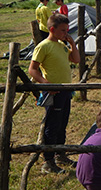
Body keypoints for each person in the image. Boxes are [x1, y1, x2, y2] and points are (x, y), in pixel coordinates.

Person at [28, 14, 80, 174]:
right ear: (52, 29)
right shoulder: (44, 46)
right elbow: (32, 69)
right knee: (52, 125)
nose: (66, 33)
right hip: (53, 91)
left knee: (62, 123)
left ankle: (60, 153)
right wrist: (45, 84)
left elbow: (76, 60)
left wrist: (72, 43)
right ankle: (48, 161)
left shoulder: (62, 44)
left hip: (65, 91)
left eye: (67, 30)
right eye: (63, 30)